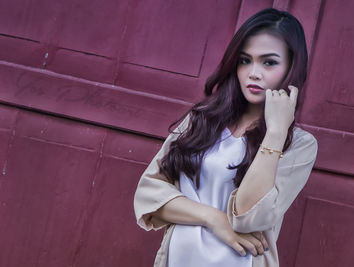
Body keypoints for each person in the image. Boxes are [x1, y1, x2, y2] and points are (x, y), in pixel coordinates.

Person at [134, 7, 318, 267]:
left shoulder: (299, 144)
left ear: (291, 68)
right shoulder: (202, 120)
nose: (254, 72)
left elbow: (248, 216)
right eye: (245, 60)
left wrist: (275, 133)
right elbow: (149, 194)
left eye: (269, 62)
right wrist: (214, 218)